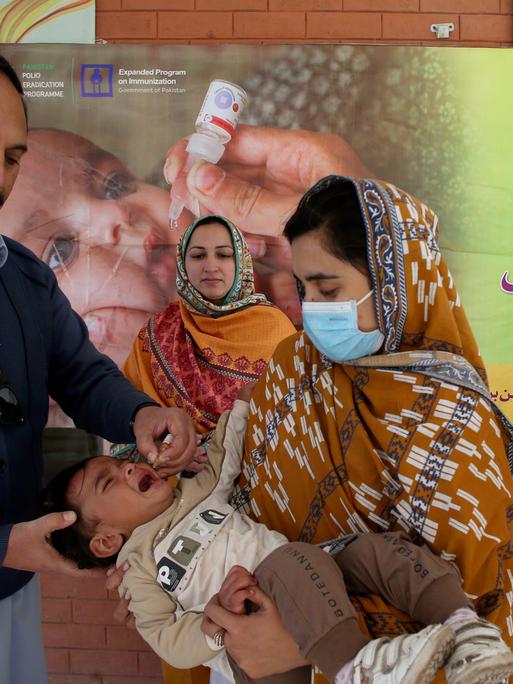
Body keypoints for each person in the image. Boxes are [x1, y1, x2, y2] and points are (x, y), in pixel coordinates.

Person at [201, 176, 513, 682]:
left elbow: (474, 614)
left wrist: (299, 644)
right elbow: (246, 504)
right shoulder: (292, 366)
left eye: (329, 289)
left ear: (398, 282)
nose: (313, 309)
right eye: (304, 289)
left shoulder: (453, 419)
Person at [41, 393, 513, 684]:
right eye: (109, 482)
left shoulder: (195, 492)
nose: (127, 467)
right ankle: (359, 669)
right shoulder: (138, 569)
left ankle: (468, 630)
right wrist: (215, 622)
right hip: (258, 651)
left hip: (311, 575)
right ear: (105, 542)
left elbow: (225, 454)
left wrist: (244, 405)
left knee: (378, 549)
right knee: (286, 563)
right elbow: (165, 637)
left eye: (124, 463)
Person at [0, 55, 199, 684]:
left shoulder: (23, 279)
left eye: (10, 156)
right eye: (62, 247)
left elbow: (82, 375)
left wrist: (141, 413)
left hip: (11, 585)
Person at [123, 214, 296, 434]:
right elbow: (136, 416)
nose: (211, 266)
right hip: (170, 464)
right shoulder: (158, 331)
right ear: (182, 264)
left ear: (241, 262)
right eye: (198, 256)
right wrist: (177, 450)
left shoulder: (275, 329)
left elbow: (293, 419)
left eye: (224, 255)